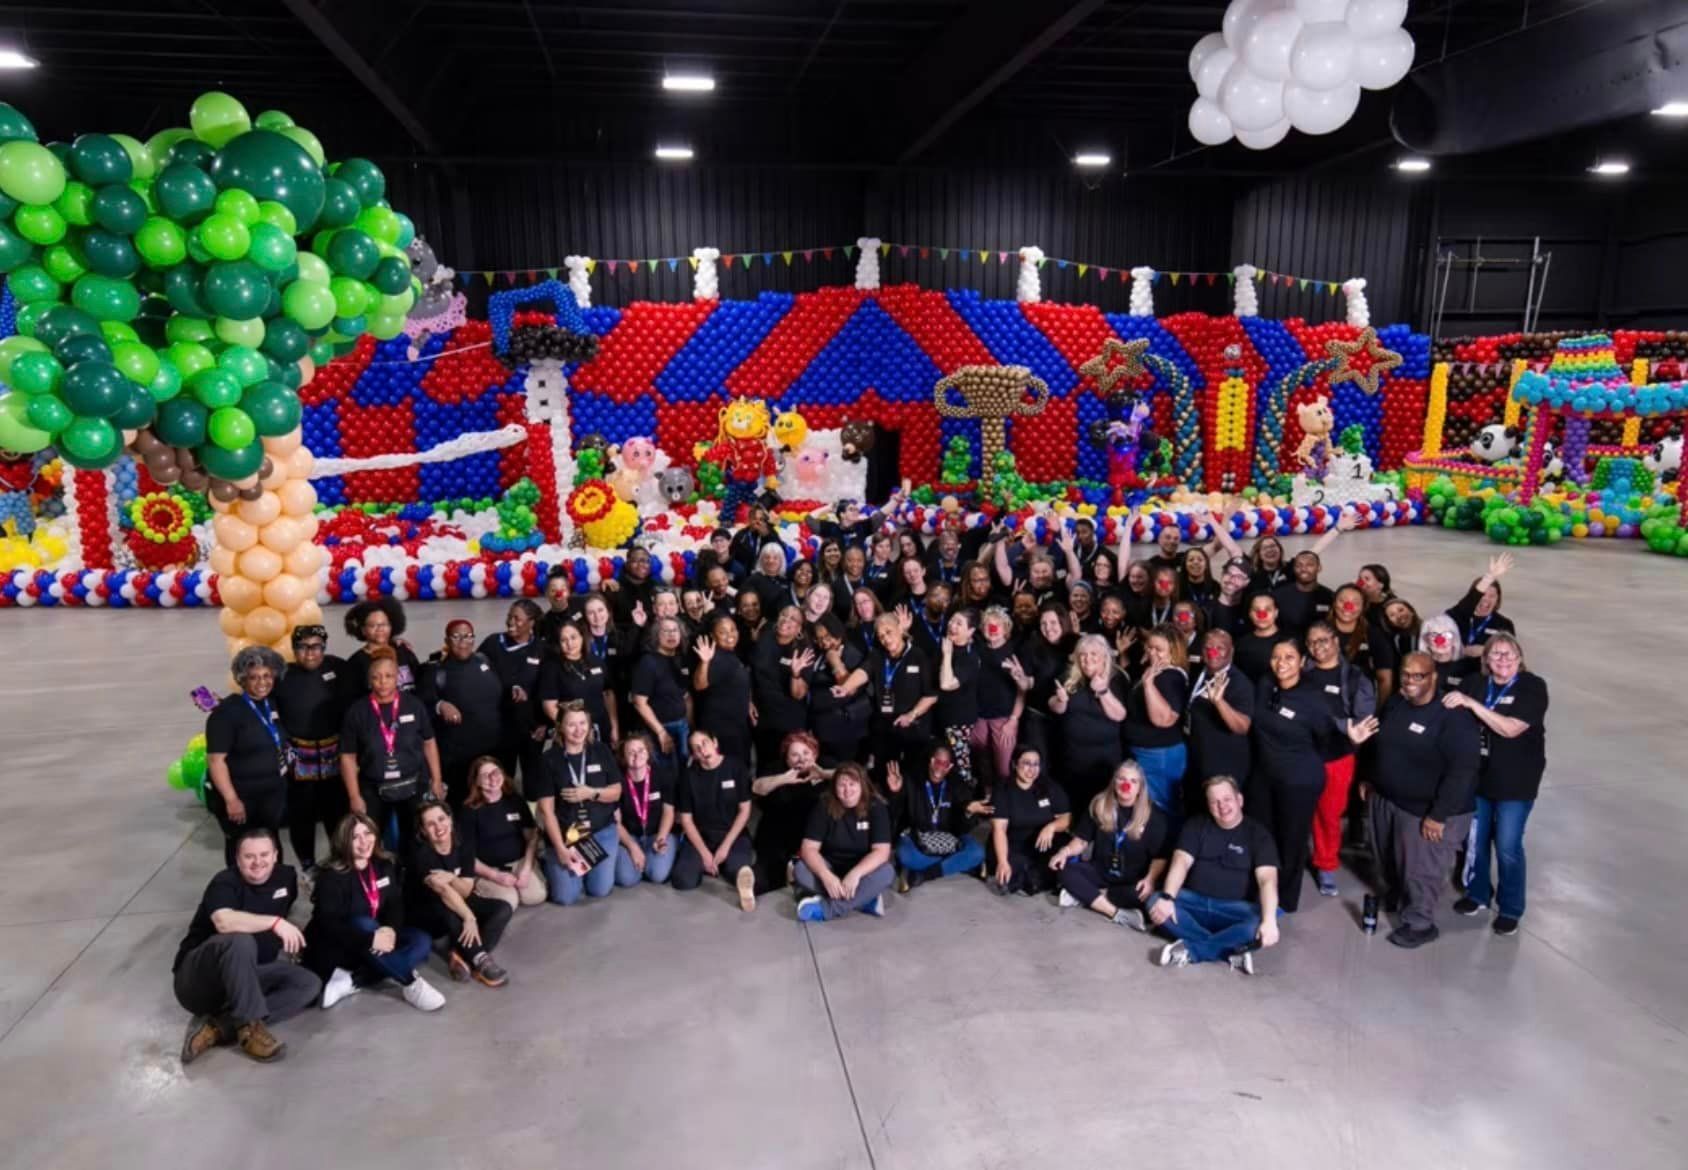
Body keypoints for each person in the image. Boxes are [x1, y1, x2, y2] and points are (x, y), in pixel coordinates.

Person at [1250, 638, 1378, 913]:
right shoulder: (1264, 685)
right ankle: (1260, 890)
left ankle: (1284, 900)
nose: (1281, 663)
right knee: (1261, 835)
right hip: (1264, 778)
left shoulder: (1313, 699)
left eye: (1289, 657)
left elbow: (1327, 737)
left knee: (1291, 842)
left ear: (1302, 662)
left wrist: (1351, 738)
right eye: (1276, 657)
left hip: (1298, 781)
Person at [174, 827, 320, 1064]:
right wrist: (275, 923)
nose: (257, 863)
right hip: (198, 982)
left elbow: (282, 911)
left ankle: (218, 1027)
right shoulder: (224, 882)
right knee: (239, 939)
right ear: (237, 858)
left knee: (308, 984)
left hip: (246, 975)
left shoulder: (286, 878)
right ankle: (250, 1029)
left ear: (275, 855)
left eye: (264, 855)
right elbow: (223, 921)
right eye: (249, 856)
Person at [1364, 652, 1481, 948]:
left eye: (1419, 676)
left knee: (1420, 869)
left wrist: (1439, 815)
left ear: (1433, 678)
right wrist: (1369, 778)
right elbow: (1377, 741)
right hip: (1387, 799)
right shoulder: (1396, 703)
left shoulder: (1453, 717)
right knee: (1387, 857)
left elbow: (1462, 771)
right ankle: (1398, 898)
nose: (1410, 681)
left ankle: (1420, 922)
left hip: (1426, 811)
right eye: (1406, 674)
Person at [1447, 633, 1548, 936]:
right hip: (1478, 777)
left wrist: (1471, 705)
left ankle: (1510, 908)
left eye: (1509, 654)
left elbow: (1510, 728)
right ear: (1486, 661)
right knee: (1475, 842)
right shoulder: (1476, 684)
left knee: (1507, 846)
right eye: (1496, 655)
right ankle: (1478, 894)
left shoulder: (1532, 687)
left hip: (1516, 782)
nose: (1503, 660)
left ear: (1520, 657)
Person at [305, 812, 443, 1012]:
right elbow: (328, 924)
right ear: (343, 842)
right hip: (341, 945)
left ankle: (352, 980)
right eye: (355, 837)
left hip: (376, 940)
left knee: (421, 941)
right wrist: (370, 940)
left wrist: (391, 929)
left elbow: (395, 903)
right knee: (364, 924)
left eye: (367, 833)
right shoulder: (330, 877)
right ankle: (411, 984)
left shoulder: (384, 865)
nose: (364, 841)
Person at [1146, 775, 1280, 972]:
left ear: (1239, 800)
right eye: (1214, 802)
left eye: (1227, 799)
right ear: (1208, 805)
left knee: (1259, 923)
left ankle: (1194, 949)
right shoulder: (1195, 825)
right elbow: (1180, 862)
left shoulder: (1259, 835)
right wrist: (1168, 897)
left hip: (1232, 910)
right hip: (1194, 903)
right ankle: (1232, 948)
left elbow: (1267, 880)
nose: (1222, 806)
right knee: (1155, 901)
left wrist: (1269, 922)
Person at [1302, 620, 1377, 897]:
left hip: (1336, 758)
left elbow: (1362, 722)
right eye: (1311, 642)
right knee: (1297, 811)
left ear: (1335, 641)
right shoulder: (1301, 672)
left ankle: (1326, 864)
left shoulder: (1355, 678)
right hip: (1301, 755)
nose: (1317, 647)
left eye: (1323, 640)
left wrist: (1344, 728)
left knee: (1329, 815)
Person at [338, 647, 444, 838]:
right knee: (372, 837)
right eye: (377, 677)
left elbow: (429, 743)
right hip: (373, 788)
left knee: (416, 838)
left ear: (398, 678)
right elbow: (347, 756)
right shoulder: (357, 712)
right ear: (370, 681)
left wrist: (436, 780)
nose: (383, 682)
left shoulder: (414, 705)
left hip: (413, 783)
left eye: (388, 676)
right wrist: (354, 796)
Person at [1050, 760, 1170, 926]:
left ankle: (1086, 896)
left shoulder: (1153, 815)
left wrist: (1149, 879)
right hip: (1100, 872)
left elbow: (1160, 857)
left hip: (1131, 880)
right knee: (1064, 870)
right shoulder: (1100, 804)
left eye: (1133, 781)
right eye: (1121, 779)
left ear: (1140, 788)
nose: (1126, 784)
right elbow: (1082, 840)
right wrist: (1064, 852)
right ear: (1114, 782)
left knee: (1143, 894)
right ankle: (1117, 913)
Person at [406, 801, 511, 987]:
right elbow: (443, 891)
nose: (439, 827)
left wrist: (450, 877)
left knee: (503, 908)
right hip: (428, 911)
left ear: (450, 819)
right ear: (423, 831)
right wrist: (470, 918)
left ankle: (459, 954)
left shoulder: (463, 843)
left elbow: (465, 889)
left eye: (441, 819)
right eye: (430, 824)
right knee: (452, 911)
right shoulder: (420, 854)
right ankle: (480, 960)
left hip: (457, 897)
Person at [205, 646, 292, 867]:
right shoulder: (226, 713)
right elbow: (216, 761)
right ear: (242, 680)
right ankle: (240, 895)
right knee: (242, 847)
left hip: (271, 792)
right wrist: (231, 799)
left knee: (270, 843)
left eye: (266, 676)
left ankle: (274, 894)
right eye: (254, 677)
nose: (262, 682)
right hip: (242, 796)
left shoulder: (271, 703)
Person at [272, 625, 346, 872]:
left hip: (333, 753)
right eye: (302, 648)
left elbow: (369, 667)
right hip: (298, 755)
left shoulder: (339, 667)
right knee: (301, 814)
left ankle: (340, 861)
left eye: (315, 647)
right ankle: (308, 867)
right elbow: (262, 704)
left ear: (324, 647)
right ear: (294, 650)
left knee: (335, 811)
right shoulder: (281, 676)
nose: (310, 653)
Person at [535, 702, 623, 905]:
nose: (578, 730)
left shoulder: (601, 751)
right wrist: (560, 849)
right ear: (560, 728)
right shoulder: (549, 759)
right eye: (571, 724)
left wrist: (591, 793)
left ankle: (593, 867)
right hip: (568, 835)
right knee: (566, 897)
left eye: (583, 723)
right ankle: (549, 860)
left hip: (602, 831)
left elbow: (616, 792)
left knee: (599, 890)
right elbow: (546, 811)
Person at [840, 610, 938, 785]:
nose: (886, 638)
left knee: (911, 777)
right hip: (884, 728)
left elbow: (931, 695)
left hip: (913, 728)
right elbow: (863, 671)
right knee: (883, 776)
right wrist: (846, 687)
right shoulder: (877, 655)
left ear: (900, 629)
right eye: (881, 636)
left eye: (889, 632)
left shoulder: (918, 655)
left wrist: (912, 714)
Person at [794, 763, 895, 921]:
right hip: (831, 868)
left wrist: (856, 873)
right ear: (834, 787)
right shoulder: (824, 805)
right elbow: (808, 848)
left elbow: (882, 851)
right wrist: (826, 875)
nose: (847, 790)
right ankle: (864, 899)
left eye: (852, 784)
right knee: (800, 870)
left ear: (862, 785)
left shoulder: (876, 806)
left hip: (862, 872)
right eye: (842, 784)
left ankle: (828, 909)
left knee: (886, 872)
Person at [421, 620, 506, 806]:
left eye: (468, 636)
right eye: (457, 636)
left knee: (491, 802)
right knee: (460, 804)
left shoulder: (484, 660)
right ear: (447, 640)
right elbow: (421, 705)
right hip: (457, 758)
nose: (463, 641)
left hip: (491, 752)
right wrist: (440, 705)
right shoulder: (435, 669)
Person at [672, 729, 758, 911]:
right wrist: (704, 854)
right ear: (694, 755)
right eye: (696, 748)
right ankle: (711, 864)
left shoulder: (736, 767)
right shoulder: (688, 776)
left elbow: (744, 810)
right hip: (702, 836)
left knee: (737, 870)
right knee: (683, 880)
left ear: (715, 742)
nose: (702, 750)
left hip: (732, 835)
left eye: (704, 743)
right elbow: (686, 819)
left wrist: (725, 847)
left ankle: (725, 866)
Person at [1048, 634, 1128, 807]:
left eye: (1093, 654)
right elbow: (1054, 707)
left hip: (1105, 758)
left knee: (1103, 805)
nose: (1087, 659)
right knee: (1075, 803)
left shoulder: (1116, 678)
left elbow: (1120, 715)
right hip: (1073, 756)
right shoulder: (1069, 677)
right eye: (1083, 655)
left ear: (1104, 657)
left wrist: (1104, 691)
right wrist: (1060, 700)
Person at [477, 600, 548, 792]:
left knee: (533, 778)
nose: (511, 622)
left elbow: (547, 687)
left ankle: (533, 818)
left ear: (531, 623)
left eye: (517, 618)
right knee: (501, 777)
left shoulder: (542, 649)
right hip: (500, 727)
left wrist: (544, 724)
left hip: (531, 729)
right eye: (510, 616)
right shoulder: (492, 643)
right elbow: (479, 677)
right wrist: (509, 687)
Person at [894, 746, 989, 888]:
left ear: (950, 766)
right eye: (938, 762)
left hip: (950, 837)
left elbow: (963, 829)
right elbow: (896, 814)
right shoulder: (912, 780)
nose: (941, 768)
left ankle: (926, 874)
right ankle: (960, 865)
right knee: (905, 855)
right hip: (917, 836)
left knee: (978, 852)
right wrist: (895, 793)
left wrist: (967, 812)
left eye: (945, 764)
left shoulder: (957, 784)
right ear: (931, 761)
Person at [459, 756, 546, 910]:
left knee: (535, 896)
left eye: (495, 772)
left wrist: (526, 868)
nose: (493, 778)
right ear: (476, 781)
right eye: (485, 775)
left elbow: (532, 837)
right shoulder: (469, 810)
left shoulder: (515, 800)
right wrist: (495, 876)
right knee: (509, 901)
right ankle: (481, 888)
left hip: (519, 862)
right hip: (489, 868)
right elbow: (467, 855)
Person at [749, 731, 831, 893]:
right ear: (787, 759)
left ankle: (797, 876)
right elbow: (756, 787)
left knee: (817, 875)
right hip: (777, 833)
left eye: (806, 753)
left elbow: (855, 776)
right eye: (794, 755)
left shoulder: (825, 765)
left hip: (812, 837)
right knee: (764, 878)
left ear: (815, 754)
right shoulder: (777, 768)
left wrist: (824, 774)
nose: (801, 758)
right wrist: (783, 779)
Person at [988, 746, 1071, 895]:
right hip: (1012, 845)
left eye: (1036, 764)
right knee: (1011, 868)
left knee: (1065, 851)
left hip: (1042, 844)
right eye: (1026, 763)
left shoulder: (1049, 786)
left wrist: (1051, 827)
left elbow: (1066, 818)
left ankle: (1032, 879)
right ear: (1014, 764)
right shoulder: (1003, 790)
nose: (1031, 769)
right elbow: (999, 829)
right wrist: (1002, 861)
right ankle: (1034, 879)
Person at [1126, 624, 1190, 815]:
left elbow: (1164, 720)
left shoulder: (1171, 677)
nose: (1152, 653)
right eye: (1150, 647)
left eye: (1159, 649)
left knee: (1160, 810)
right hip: (1148, 753)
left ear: (1173, 652)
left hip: (1159, 755)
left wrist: (1148, 685)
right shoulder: (1155, 672)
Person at [1185, 630, 1254, 806]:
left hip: (1225, 765)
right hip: (1198, 759)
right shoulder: (1197, 675)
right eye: (1208, 647)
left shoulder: (1240, 682)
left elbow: (1242, 727)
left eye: (1220, 648)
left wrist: (1219, 702)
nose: (1212, 652)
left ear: (1231, 651)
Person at [797, 615, 870, 766]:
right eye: (819, 638)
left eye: (828, 636)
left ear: (839, 633)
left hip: (847, 730)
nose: (824, 642)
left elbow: (849, 689)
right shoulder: (818, 656)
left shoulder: (853, 653)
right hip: (822, 729)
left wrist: (835, 661)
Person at [537, 621, 618, 749]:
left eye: (573, 637)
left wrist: (614, 726)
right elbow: (549, 707)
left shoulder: (596, 661)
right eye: (564, 640)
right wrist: (576, 729)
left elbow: (608, 693)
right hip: (573, 734)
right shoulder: (552, 667)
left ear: (582, 637)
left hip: (601, 728)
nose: (569, 644)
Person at [613, 732, 679, 887]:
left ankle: (660, 855)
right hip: (631, 837)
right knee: (626, 879)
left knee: (657, 875)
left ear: (648, 752)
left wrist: (661, 838)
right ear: (623, 757)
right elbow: (616, 821)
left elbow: (668, 812)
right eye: (631, 752)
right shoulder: (617, 781)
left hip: (657, 834)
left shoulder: (663, 774)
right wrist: (632, 847)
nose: (637, 755)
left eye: (641, 750)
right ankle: (640, 858)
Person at [970, 606, 1024, 791]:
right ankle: (988, 796)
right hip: (979, 716)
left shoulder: (1013, 652)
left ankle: (1007, 801)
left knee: (1004, 767)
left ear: (1006, 628)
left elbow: (1022, 691)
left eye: (996, 625)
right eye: (987, 625)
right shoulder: (977, 651)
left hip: (1003, 717)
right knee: (982, 761)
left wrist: (1014, 720)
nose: (991, 628)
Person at [749, 606, 809, 770]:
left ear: (799, 629)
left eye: (793, 619)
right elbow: (751, 672)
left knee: (789, 767)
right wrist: (749, 700)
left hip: (788, 720)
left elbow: (798, 694)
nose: (786, 620)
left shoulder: (804, 651)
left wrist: (796, 674)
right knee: (765, 766)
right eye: (784, 614)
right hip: (762, 717)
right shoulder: (765, 638)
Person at [630, 616, 692, 769]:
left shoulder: (681, 659)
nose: (671, 635)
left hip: (682, 726)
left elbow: (686, 696)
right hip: (659, 728)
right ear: (657, 635)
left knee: (684, 774)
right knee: (665, 775)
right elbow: (639, 703)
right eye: (666, 631)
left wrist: (688, 725)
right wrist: (661, 732)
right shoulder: (648, 662)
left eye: (675, 630)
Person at [692, 616, 754, 766]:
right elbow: (699, 685)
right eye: (723, 632)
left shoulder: (732, 654)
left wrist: (748, 702)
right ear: (713, 636)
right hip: (722, 729)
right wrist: (705, 662)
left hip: (737, 725)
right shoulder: (714, 657)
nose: (730, 635)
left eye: (732, 630)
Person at [935, 609, 981, 785]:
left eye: (959, 623)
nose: (952, 626)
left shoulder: (970, 657)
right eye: (952, 621)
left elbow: (947, 684)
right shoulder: (943, 647)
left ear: (970, 631)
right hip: (939, 719)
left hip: (959, 723)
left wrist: (947, 655)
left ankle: (966, 806)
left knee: (960, 769)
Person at [341, 598, 422, 697]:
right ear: (363, 630)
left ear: (392, 626)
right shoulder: (355, 663)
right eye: (372, 625)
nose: (379, 629)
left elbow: (421, 680)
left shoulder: (403, 651)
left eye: (384, 624)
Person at [1451, 552, 1518, 655]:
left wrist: (1485, 650)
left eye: (1492, 596)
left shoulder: (1504, 624)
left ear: (1498, 599)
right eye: (1482, 595)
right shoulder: (1457, 616)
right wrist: (1490, 577)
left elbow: (1511, 653)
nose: (1486, 600)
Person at [1272, 549, 1335, 638]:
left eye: (1309, 565)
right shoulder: (1278, 595)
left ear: (1319, 568)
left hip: (1319, 648)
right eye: (1299, 565)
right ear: (1294, 569)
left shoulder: (1330, 596)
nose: (1304, 569)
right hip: (1287, 648)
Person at [1232, 593, 1282, 682]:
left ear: (1276, 612)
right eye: (1256, 610)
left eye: (1268, 609)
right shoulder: (1241, 644)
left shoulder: (1290, 641)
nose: (1262, 615)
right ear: (1250, 614)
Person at [536, 565, 584, 648]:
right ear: (546, 593)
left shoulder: (581, 608)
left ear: (568, 592)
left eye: (563, 589)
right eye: (553, 590)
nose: (558, 594)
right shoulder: (543, 622)